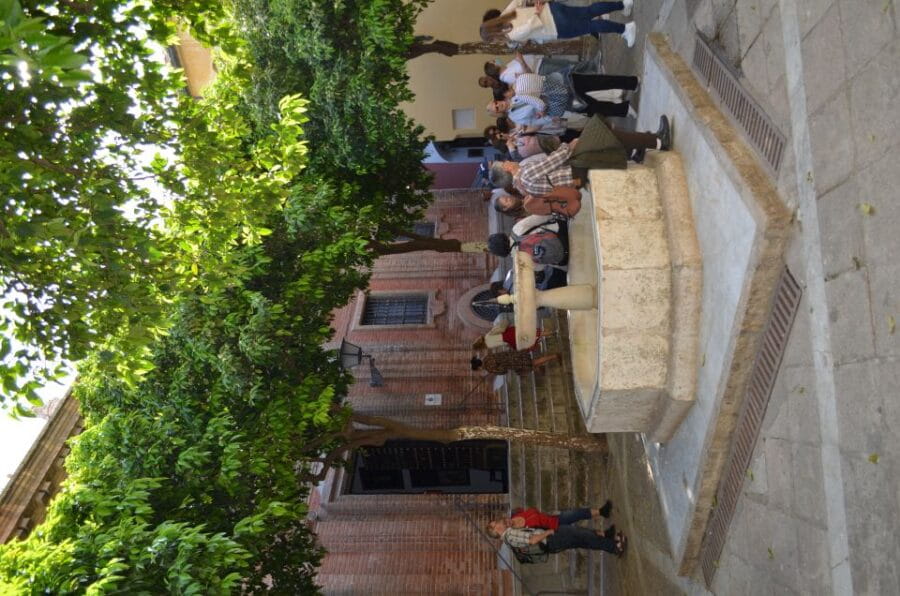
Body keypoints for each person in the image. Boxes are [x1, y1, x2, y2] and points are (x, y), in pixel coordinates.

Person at [480, 0, 637, 48]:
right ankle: (623, 4)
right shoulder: (505, 14)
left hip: (555, 27)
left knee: (590, 26)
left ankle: (625, 29)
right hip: (552, 9)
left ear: (493, 36)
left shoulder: (511, 34)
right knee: (589, 11)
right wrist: (536, 7)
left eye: (492, 40)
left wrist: (535, 14)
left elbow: (528, 28)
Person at [488, 520, 627, 557]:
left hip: (551, 543)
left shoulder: (508, 539)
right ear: (496, 530)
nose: (499, 522)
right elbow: (532, 540)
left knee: (582, 539)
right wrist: (548, 532)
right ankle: (614, 547)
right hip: (550, 539)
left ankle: (613, 544)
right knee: (580, 534)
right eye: (496, 524)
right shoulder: (510, 535)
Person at [471, 351, 560, 376]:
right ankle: (539, 368)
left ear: (479, 367)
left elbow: (503, 371)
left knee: (533, 362)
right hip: (513, 356)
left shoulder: (489, 368)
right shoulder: (487, 357)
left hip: (514, 363)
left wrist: (492, 372)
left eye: (478, 370)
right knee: (529, 366)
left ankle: (554, 356)